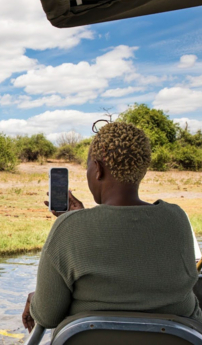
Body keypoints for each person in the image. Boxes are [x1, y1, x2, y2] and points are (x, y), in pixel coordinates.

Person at [22, 121, 202, 332]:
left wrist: (35, 299)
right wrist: (80, 219)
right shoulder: (176, 219)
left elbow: (47, 315)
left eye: (88, 166)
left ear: (97, 169)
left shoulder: (69, 229)